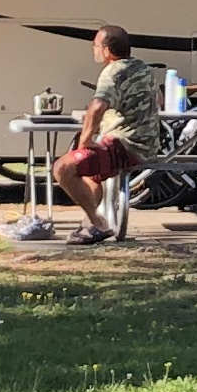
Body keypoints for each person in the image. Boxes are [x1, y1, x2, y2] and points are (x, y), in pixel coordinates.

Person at [52, 24, 167, 242]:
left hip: (126, 145)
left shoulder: (112, 72)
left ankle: (98, 224)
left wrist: (85, 141)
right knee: (90, 174)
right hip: (148, 144)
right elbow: (159, 101)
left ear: (107, 51)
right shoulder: (142, 68)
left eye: (96, 45)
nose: (93, 49)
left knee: (63, 168)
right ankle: (90, 223)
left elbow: (97, 106)